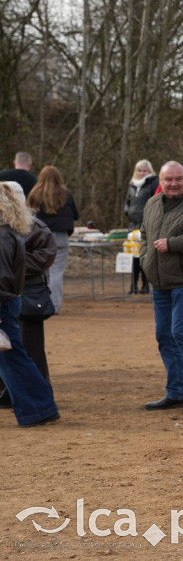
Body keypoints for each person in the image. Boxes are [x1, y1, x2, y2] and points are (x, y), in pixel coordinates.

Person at [139, 161, 183, 415]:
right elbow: (144, 235)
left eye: (178, 179)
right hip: (160, 283)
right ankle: (176, 392)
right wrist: (146, 258)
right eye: (168, 179)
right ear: (160, 180)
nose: (173, 183)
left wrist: (173, 244)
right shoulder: (151, 204)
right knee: (164, 337)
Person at [0, 182, 59, 427]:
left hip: (3, 303)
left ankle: (39, 408)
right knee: (14, 359)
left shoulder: (3, 235)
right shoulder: (10, 231)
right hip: (8, 301)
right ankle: (40, 408)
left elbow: (2, 276)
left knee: (14, 359)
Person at [26, 165, 78, 313]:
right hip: (61, 236)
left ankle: (43, 302)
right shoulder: (66, 194)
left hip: (40, 237)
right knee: (57, 271)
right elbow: (75, 215)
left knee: (44, 271)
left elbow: (28, 216)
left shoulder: (35, 194)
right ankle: (54, 305)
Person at [125, 159, 155, 294]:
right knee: (133, 257)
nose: (142, 173)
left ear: (150, 171)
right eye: (140, 170)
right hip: (132, 225)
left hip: (147, 226)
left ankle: (145, 285)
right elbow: (127, 202)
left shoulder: (153, 183)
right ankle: (133, 285)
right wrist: (128, 212)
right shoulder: (131, 185)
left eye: (145, 170)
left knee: (144, 256)